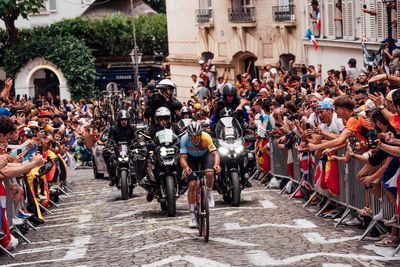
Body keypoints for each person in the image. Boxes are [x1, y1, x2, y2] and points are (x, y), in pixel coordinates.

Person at [180, 121, 221, 228]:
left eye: (197, 136)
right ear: (189, 135)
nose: (195, 139)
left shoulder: (206, 137)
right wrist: (186, 167)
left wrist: (216, 164)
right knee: (192, 184)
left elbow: (215, 153)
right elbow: (183, 158)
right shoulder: (184, 139)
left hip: (205, 156)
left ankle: (208, 192)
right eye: (192, 137)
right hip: (191, 158)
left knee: (210, 173)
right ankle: (192, 215)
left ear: (200, 134)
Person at [105, 110, 136, 186]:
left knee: (137, 158)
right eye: (122, 120)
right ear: (119, 120)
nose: (124, 122)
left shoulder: (132, 128)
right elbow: (110, 139)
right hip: (118, 148)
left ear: (128, 120)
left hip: (129, 148)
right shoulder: (114, 128)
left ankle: (137, 177)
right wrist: (110, 145)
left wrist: (137, 143)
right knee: (109, 157)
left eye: (125, 120)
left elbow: (136, 138)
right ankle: (112, 177)